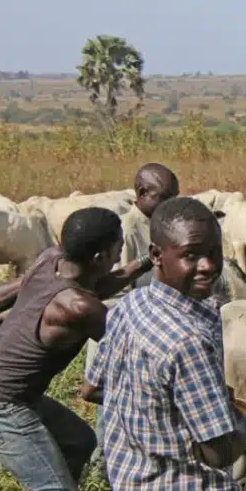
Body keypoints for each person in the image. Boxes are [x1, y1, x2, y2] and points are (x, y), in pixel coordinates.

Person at [80, 196, 246, 491]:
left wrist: (164, 415)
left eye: (215, 252)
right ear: (155, 254)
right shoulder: (188, 340)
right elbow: (218, 452)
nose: (209, 265)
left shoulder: (129, 307)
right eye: (192, 255)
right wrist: (236, 417)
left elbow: (93, 388)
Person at [0, 207, 155, 491]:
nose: (120, 254)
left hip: (19, 394)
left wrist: (145, 262)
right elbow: (129, 347)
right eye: (117, 249)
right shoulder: (80, 307)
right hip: (4, 403)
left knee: (78, 441)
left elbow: (100, 283)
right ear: (100, 256)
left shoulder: (50, 261)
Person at [87, 163, 181, 456]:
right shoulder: (126, 230)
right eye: (165, 198)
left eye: (174, 198)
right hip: (120, 334)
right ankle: (103, 476)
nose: (171, 205)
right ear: (141, 193)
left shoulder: (163, 226)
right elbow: (112, 291)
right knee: (112, 408)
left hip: (154, 335)